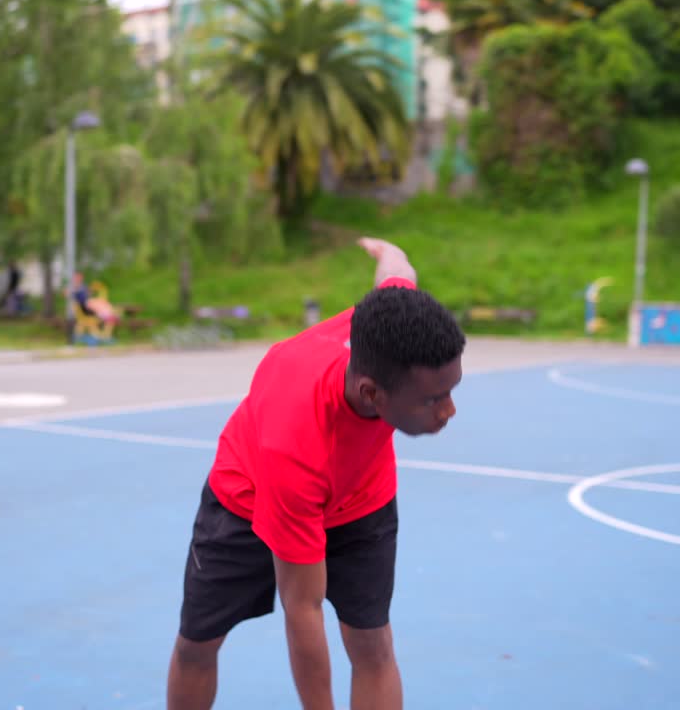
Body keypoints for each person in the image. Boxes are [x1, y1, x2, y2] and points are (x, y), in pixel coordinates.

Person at [166, 237, 467, 710]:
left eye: (451, 391)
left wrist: (384, 249)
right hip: (247, 499)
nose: (449, 410)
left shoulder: (387, 325)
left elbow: (399, 272)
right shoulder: (296, 445)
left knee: (373, 645)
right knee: (197, 644)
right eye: (432, 399)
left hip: (361, 498)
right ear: (372, 395)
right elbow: (302, 611)